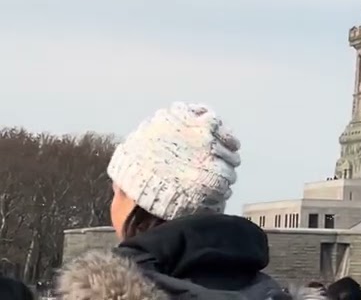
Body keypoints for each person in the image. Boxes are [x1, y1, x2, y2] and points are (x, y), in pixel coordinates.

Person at [56, 102, 283, 300]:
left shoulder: (102, 292)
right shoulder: (272, 293)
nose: (112, 204)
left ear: (141, 202)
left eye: (117, 192)